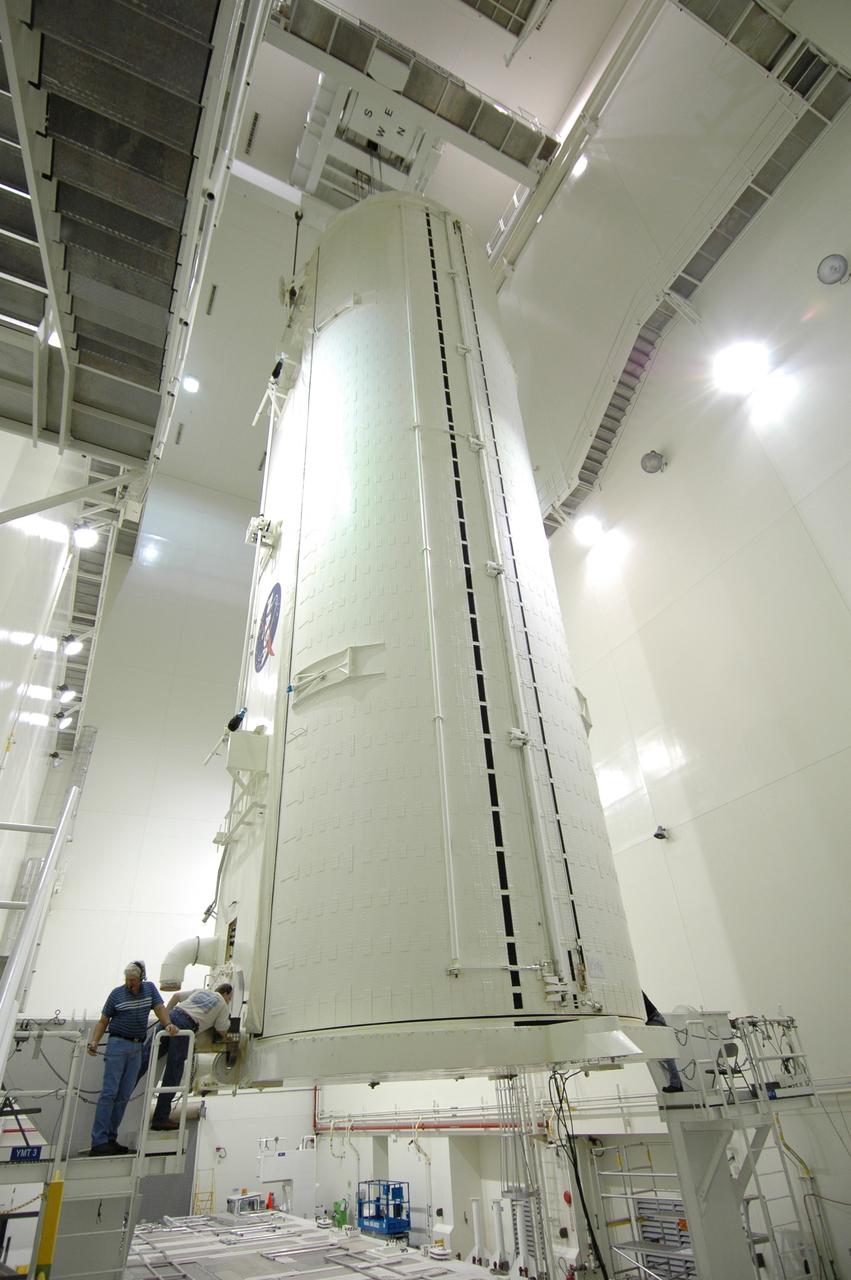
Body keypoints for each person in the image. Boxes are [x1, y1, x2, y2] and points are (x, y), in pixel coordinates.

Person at [88, 962, 176, 1155]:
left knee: (124, 1094)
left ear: (141, 978)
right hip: (118, 1044)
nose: (130, 984)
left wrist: (168, 1024)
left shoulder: (150, 989)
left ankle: (111, 1137)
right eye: (128, 981)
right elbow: (104, 1021)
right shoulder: (116, 994)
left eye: (133, 981)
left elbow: (160, 1008)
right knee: (109, 1092)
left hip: (137, 1047)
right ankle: (99, 1140)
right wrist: (94, 1041)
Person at [141, 983, 233, 1130]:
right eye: (230, 998)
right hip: (185, 1026)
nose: (229, 1000)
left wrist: (166, 1020)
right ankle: (160, 1119)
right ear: (227, 993)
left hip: (171, 1016)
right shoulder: (222, 1004)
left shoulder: (201, 991)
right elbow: (221, 1030)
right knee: (174, 1072)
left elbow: (176, 996)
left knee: (146, 1057)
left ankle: (123, 1090)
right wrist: (232, 1040)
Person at [643, 991, 684, 1093]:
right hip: (652, 1019)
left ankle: (676, 1084)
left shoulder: (635, 992)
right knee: (664, 1054)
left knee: (666, 1054)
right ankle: (676, 1083)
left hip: (654, 1019)